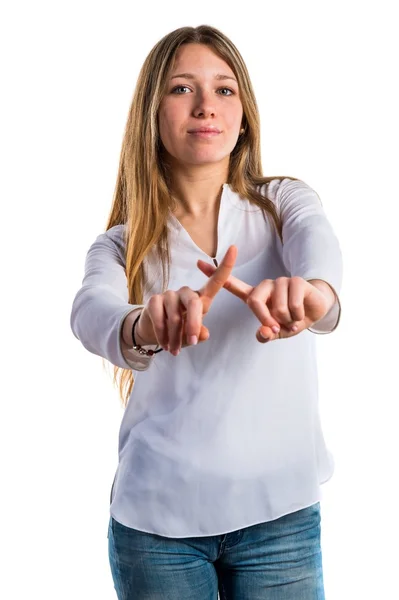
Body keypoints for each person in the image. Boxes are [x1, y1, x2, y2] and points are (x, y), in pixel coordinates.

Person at [70, 24, 343, 600]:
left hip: (281, 518)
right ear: (153, 112)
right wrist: (143, 323)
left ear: (244, 114)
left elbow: (321, 262)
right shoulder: (121, 245)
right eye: (181, 89)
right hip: (157, 530)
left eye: (224, 90)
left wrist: (311, 296)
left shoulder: (284, 203)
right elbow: (92, 312)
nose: (205, 107)